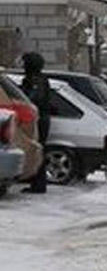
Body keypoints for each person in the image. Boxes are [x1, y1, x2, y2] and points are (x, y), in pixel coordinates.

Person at [21, 52, 51, 194]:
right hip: (40, 117)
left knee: (37, 149)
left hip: (39, 118)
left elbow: (32, 99)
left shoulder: (35, 81)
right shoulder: (39, 79)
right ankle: (36, 182)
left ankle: (38, 184)